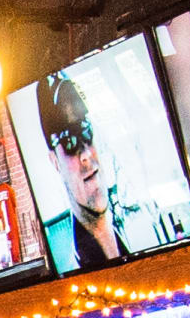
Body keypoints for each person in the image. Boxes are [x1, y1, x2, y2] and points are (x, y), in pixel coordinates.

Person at [39, 76, 126, 271]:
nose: (85, 154)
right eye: (69, 142)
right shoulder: (72, 270)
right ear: (55, 162)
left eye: (86, 132)